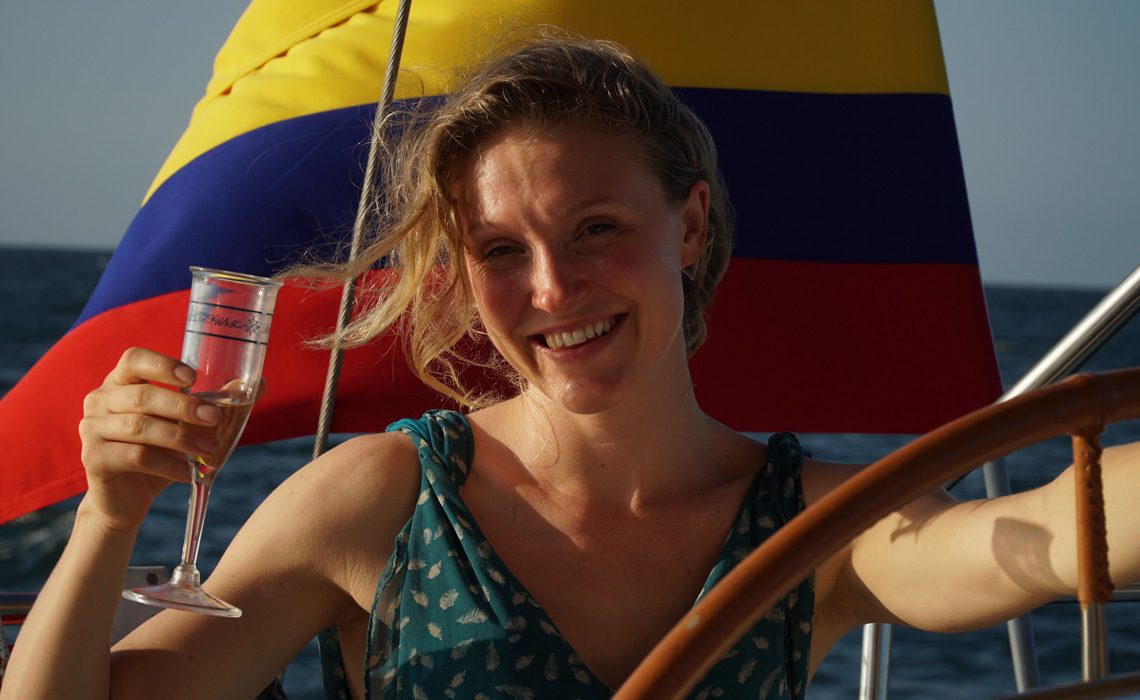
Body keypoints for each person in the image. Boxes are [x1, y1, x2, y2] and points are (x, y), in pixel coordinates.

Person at [3, 33, 1138, 700]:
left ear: (688, 229)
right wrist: (111, 517)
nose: (553, 288)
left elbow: (1049, 536)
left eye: (597, 227)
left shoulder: (809, 530)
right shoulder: (383, 502)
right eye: (502, 250)